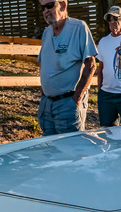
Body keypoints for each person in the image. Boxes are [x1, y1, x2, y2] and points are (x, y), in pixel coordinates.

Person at [37, 0, 98, 135]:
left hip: (67, 102)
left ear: (63, 5)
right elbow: (44, 65)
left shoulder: (78, 27)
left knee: (71, 149)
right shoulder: (46, 33)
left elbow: (91, 65)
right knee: (50, 150)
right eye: (43, 7)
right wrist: (43, 96)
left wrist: (76, 98)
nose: (45, 10)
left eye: (49, 5)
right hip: (47, 104)